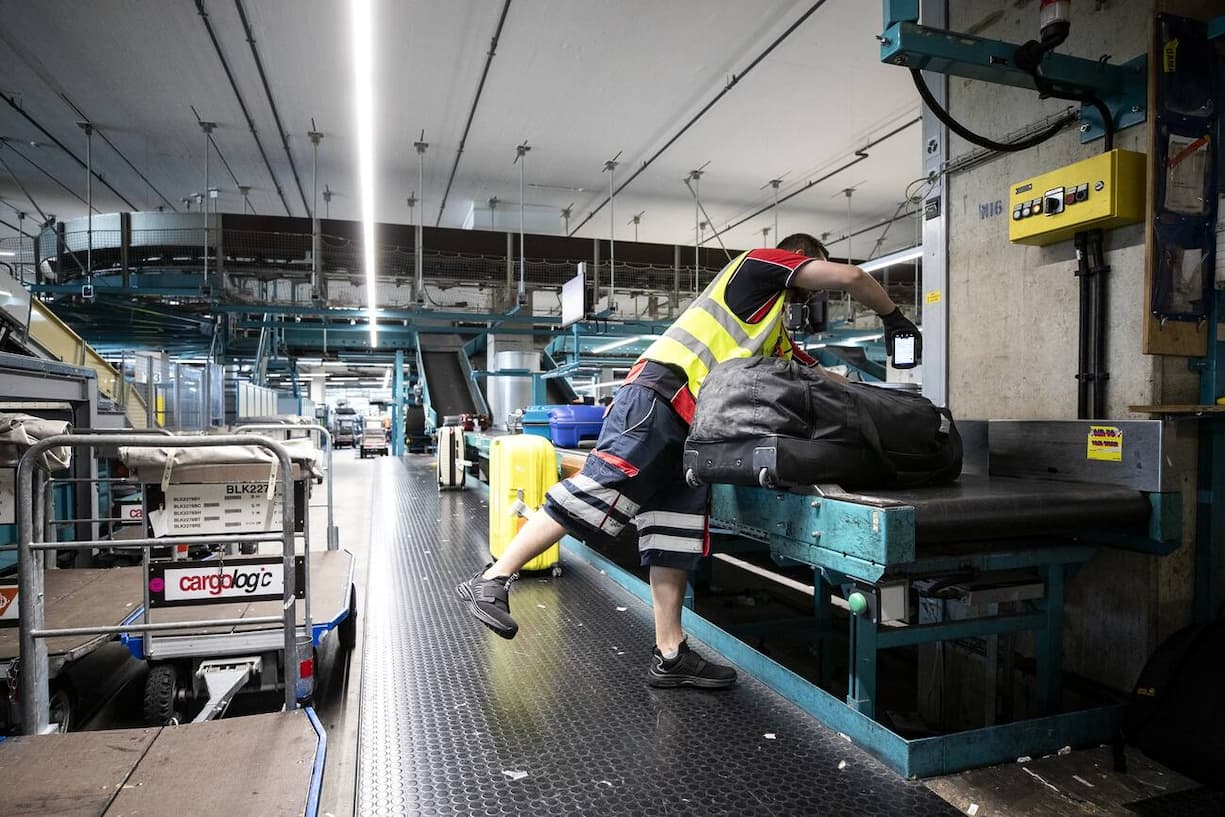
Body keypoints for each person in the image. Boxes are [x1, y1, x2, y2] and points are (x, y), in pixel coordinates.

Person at [456, 233, 920, 689]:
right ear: (798, 259)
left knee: (672, 534)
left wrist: (887, 408)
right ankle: (493, 577)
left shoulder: (772, 330)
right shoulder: (759, 265)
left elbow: (816, 379)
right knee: (604, 485)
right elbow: (854, 276)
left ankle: (670, 654)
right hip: (660, 393)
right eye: (812, 279)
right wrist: (893, 316)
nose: (814, 293)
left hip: (694, 428)